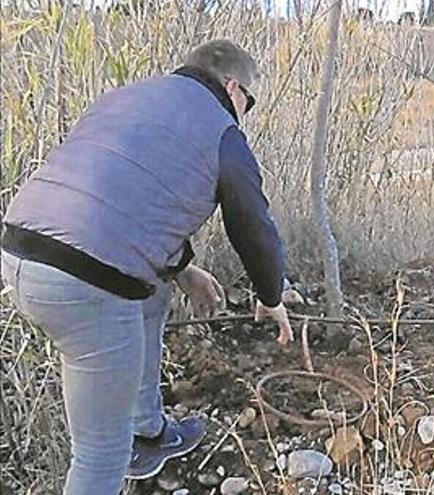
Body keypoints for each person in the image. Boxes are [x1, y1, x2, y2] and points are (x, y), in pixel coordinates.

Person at [0, 39, 292, 494]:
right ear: (234, 88)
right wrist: (272, 295)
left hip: (18, 251)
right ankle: (128, 446)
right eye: (248, 102)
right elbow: (251, 224)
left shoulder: (128, 96)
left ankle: (148, 429)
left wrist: (184, 271)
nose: (244, 112)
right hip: (86, 284)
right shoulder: (222, 131)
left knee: (155, 292)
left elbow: (122, 202)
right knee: (99, 454)